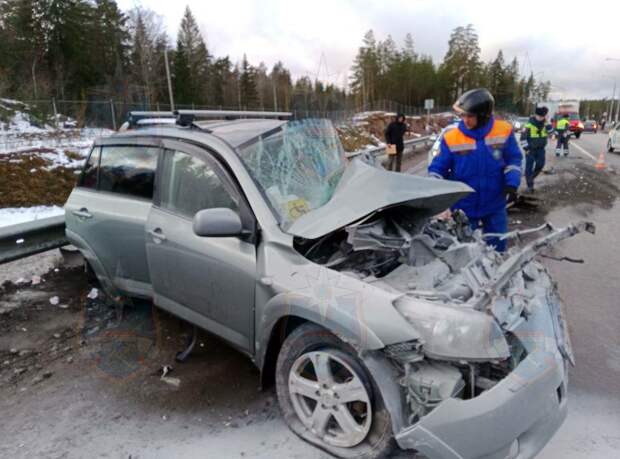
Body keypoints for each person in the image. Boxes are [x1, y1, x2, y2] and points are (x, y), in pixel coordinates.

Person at [428, 88, 522, 252]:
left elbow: (513, 159)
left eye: (469, 116)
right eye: (462, 115)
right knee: (463, 252)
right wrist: (436, 196)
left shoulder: (504, 131)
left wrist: (512, 183)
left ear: (483, 115)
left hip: (494, 204)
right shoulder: (451, 137)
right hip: (463, 208)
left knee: (498, 249)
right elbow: (438, 168)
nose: (465, 120)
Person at [521, 106, 552, 193]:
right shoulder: (528, 125)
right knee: (529, 168)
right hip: (530, 150)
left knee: (540, 165)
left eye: (542, 117)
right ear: (535, 115)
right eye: (539, 116)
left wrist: (548, 123)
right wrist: (526, 149)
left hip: (541, 150)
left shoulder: (545, 124)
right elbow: (522, 139)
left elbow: (552, 133)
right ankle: (529, 186)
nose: (540, 118)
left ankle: (531, 178)